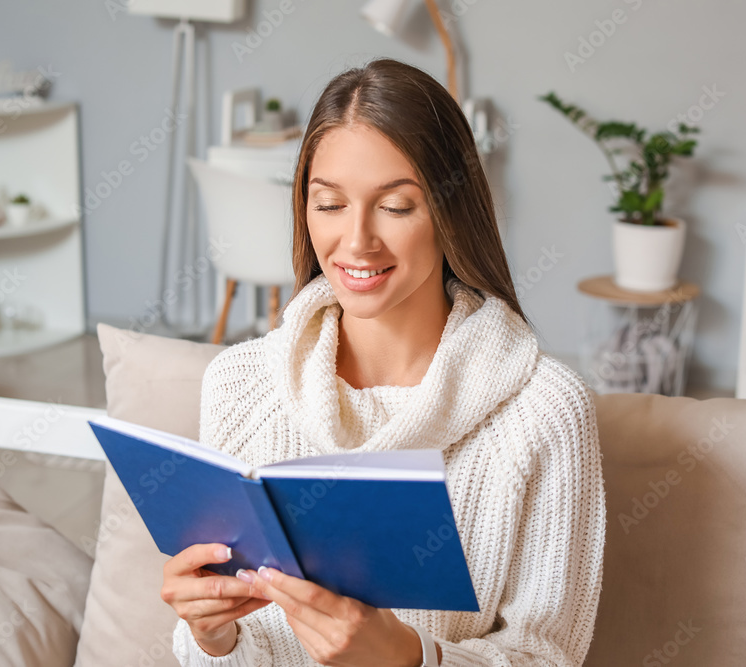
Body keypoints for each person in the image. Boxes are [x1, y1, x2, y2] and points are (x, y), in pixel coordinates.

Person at [162, 57, 606, 666]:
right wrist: (212, 638)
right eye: (329, 204)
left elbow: (548, 656)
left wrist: (408, 657)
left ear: (451, 213)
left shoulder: (545, 411)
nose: (356, 242)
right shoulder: (241, 385)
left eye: (396, 207)